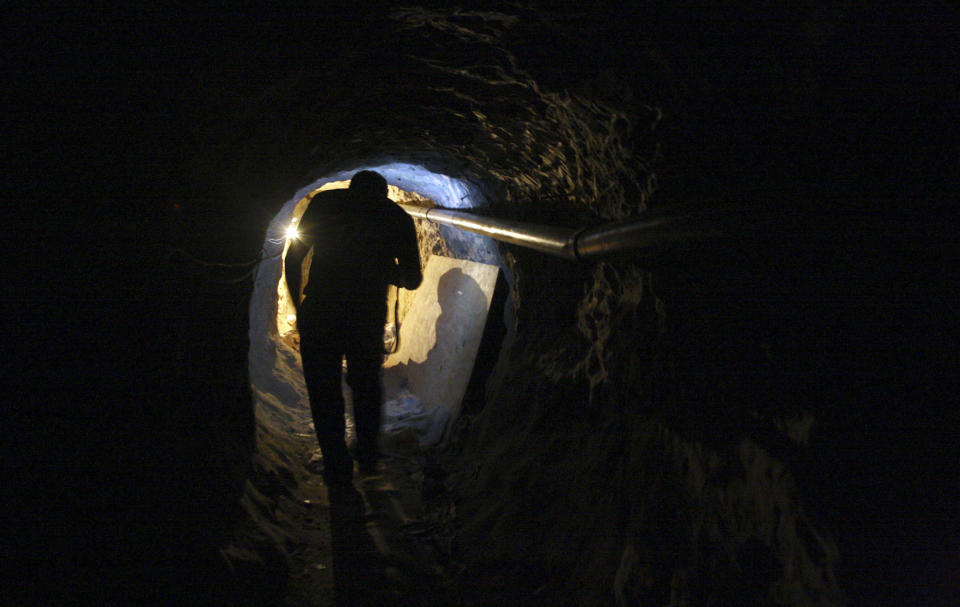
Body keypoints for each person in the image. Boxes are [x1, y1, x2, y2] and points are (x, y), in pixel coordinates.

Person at [285, 171, 422, 484]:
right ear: (384, 194)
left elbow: (294, 258)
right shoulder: (395, 216)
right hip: (366, 312)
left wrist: (299, 308)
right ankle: (369, 458)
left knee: (323, 388)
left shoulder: (326, 203)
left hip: (321, 307)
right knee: (365, 383)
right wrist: (388, 271)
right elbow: (412, 279)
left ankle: (336, 463)